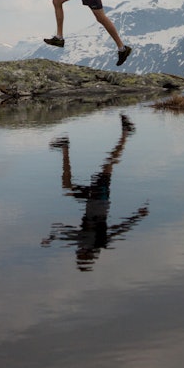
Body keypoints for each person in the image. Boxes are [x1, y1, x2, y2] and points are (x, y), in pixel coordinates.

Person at [42, 115, 148, 271]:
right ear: (88, 256)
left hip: (93, 199)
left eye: (78, 256)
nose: (79, 253)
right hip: (99, 196)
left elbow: (66, 233)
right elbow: (121, 228)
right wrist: (138, 216)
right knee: (108, 165)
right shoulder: (100, 241)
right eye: (81, 257)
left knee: (69, 185)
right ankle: (125, 133)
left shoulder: (84, 242)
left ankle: (65, 147)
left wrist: (52, 237)